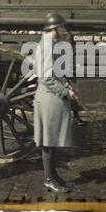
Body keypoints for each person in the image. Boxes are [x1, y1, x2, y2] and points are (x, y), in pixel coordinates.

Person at [34, 13, 77, 193]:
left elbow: (55, 73)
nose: (64, 30)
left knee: (52, 139)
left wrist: (67, 85)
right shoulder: (46, 46)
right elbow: (45, 77)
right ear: (54, 29)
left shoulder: (50, 43)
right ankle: (49, 179)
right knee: (49, 140)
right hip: (49, 99)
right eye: (62, 27)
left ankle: (54, 175)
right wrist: (64, 91)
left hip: (53, 98)